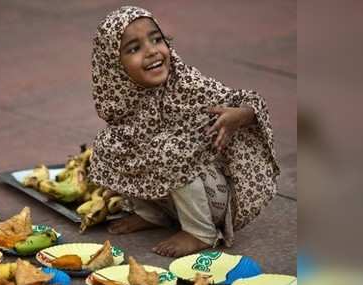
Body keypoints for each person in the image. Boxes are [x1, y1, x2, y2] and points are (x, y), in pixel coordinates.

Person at [87, 6, 280, 257]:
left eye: (157, 39)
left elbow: (247, 101)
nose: (152, 51)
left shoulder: (186, 82)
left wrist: (239, 116)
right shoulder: (125, 96)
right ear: (114, 66)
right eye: (134, 49)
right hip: (170, 199)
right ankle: (152, 215)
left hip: (213, 197)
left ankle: (201, 232)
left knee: (167, 150)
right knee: (110, 144)